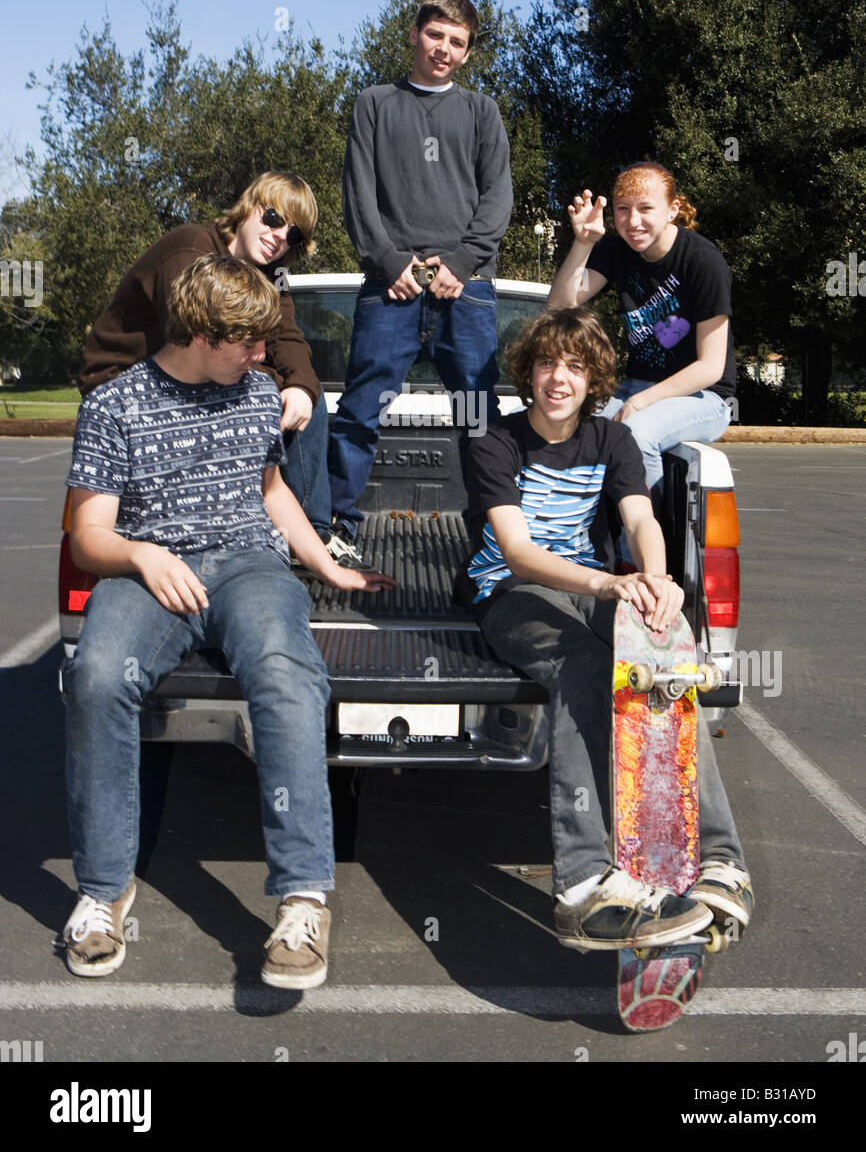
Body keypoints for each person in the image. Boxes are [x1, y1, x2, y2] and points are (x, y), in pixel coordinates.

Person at [62, 256, 392, 988]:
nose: (261, 357)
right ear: (203, 333)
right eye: (249, 344)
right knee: (94, 678)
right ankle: (104, 889)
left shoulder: (256, 394)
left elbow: (271, 492)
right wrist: (144, 558)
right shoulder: (114, 406)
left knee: (285, 673)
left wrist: (327, 564)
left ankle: (303, 898)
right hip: (148, 572)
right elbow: (90, 536)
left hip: (249, 567)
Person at [463, 307, 753, 951]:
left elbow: (642, 520)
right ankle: (582, 886)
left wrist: (653, 580)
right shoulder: (495, 441)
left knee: (667, 666)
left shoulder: (613, 440)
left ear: (593, 377)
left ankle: (721, 862)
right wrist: (608, 584)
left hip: (596, 584)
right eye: (546, 364)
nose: (558, 378)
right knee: (584, 669)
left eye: (573, 366)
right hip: (509, 593)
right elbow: (518, 551)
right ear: (527, 373)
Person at [326, 0, 513, 565]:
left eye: (458, 42)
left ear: (467, 51)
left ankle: (492, 539)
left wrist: (460, 265)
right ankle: (339, 529)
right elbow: (358, 195)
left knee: (480, 417)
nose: (445, 49)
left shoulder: (482, 112)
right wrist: (390, 263)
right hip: (391, 288)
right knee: (360, 410)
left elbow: (497, 198)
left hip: (468, 289)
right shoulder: (375, 104)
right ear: (414, 35)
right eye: (436, 36)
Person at [79, 169, 332, 541]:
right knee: (266, 394)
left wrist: (299, 387)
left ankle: (311, 534)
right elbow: (196, 343)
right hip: (124, 378)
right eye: (274, 217)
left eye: (292, 233)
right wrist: (270, 389)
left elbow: (286, 336)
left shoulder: (271, 274)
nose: (279, 236)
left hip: (200, 365)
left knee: (307, 394)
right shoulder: (192, 248)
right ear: (248, 208)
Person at [547, 162, 735, 518]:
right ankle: (577, 547)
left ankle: (642, 557)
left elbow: (710, 367)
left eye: (646, 208)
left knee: (634, 435)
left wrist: (642, 401)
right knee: (570, 428)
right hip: (636, 386)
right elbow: (559, 306)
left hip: (704, 397)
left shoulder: (703, 261)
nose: (633, 222)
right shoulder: (617, 251)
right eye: (623, 209)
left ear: (673, 210)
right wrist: (583, 244)